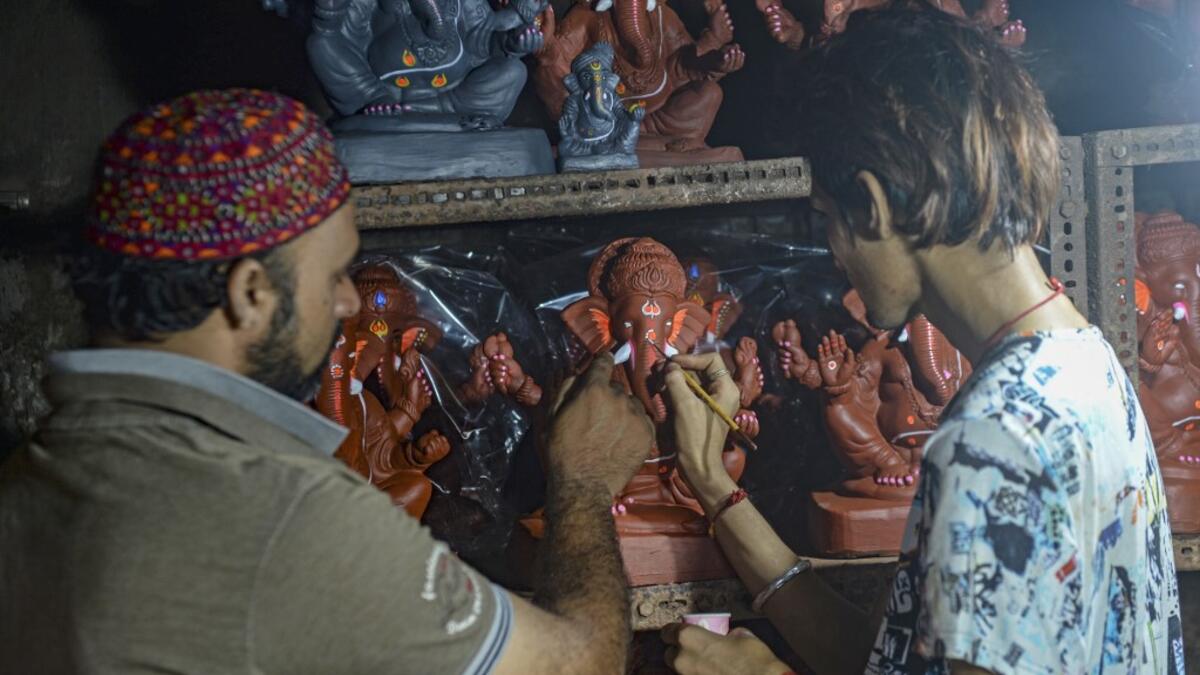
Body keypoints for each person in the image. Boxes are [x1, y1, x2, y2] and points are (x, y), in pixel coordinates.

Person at [0, 88, 656, 674]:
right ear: (251, 293)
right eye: (335, 273)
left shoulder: (27, 481)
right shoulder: (286, 516)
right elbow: (581, 664)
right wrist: (585, 479)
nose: (346, 301)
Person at [658, 6, 1184, 675]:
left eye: (828, 218)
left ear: (874, 206)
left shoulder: (995, 439)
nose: (833, 251)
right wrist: (712, 483)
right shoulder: (1086, 362)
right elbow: (898, 663)